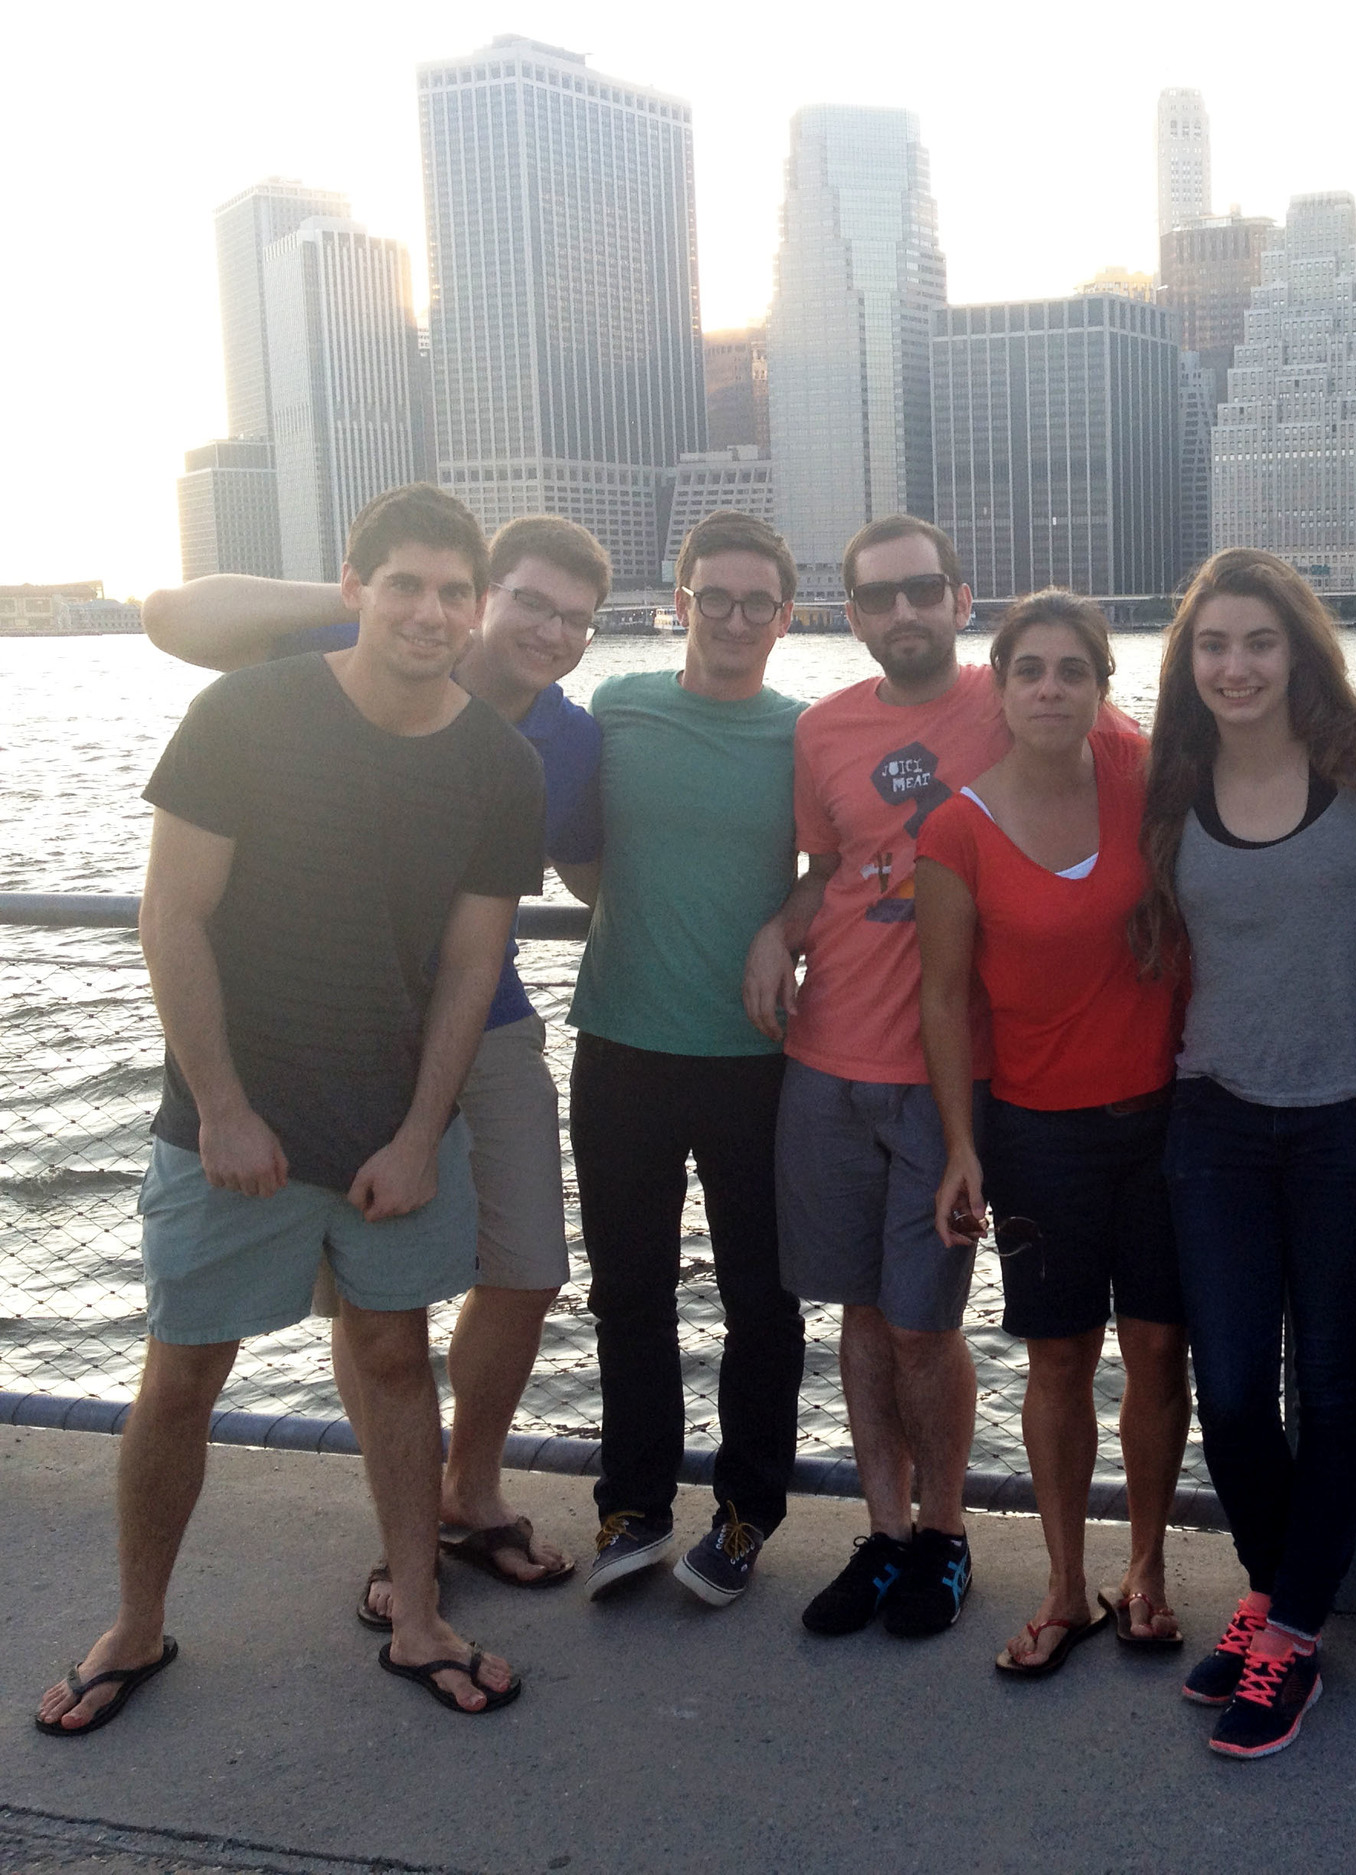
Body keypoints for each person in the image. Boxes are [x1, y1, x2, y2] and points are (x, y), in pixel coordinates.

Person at [36, 484, 544, 1733]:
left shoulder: (500, 761)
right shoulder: (245, 715)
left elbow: (473, 965)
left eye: (451, 592)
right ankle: (137, 1626)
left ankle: (417, 1613)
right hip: (229, 1127)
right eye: (405, 585)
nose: (429, 612)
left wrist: (424, 1134)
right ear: (354, 589)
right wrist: (219, 1108)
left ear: (474, 610)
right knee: (180, 1378)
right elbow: (174, 916)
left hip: (391, 1124)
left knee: (393, 1356)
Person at [140, 514, 613, 1617]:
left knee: (524, 1267)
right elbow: (173, 615)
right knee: (362, 1316)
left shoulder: (562, 742)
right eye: (527, 603)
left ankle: (465, 1494)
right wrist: (384, 599)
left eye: (577, 619)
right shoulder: (303, 675)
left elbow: (596, 873)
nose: (548, 632)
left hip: (477, 1026)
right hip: (309, 1035)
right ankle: (395, 1541)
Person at [1134, 547, 1356, 1760]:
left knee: (1338, 1383)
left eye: (1258, 642)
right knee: (1236, 1388)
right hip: (1217, 1114)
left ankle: (1291, 1630)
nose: (1236, 665)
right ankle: (1271, 1588)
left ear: (1299, 649)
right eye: (1213, 645)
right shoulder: (1172, 778)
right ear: (1187, 665)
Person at [914, 592, 1190, 1681]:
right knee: (1059, 1358)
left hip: (1167, 1126)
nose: (1049, 689)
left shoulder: (1146, 782)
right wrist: (960, 1145)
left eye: (1072, 670)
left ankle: (1151, 1572)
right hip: (1037, 1134)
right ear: (1001, 685)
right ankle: (1069, 1585)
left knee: (1161, 1352)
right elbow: (942, 999)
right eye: (1028, 669)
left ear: (1100, 688)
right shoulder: (955, 825)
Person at [749, 516, 998, 1641]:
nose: (902, 614)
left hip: (946, 1076)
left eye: (921, 592)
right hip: (824, 1063)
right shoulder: (822, 731)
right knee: (858, 1314)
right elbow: (830, 864)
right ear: (848, 615)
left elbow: (1152, 778)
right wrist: (777, 926)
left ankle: (946, 1535)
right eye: (876, 599)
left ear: (958, 596)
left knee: (923, 1326)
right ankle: (886, 1532)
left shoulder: (1026, 699)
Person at [572, 508, 806, 1610]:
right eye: (713, 596)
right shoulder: (617, 708)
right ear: (679, 604)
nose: (734, 618)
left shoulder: (800, 735)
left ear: (784, 617)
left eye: (757, 601)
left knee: (764, 1299)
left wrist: (782, 927)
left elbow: (852, 862)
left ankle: (748, 1513)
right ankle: (634, 1505)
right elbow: (570, 836)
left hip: (755, 1057)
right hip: (619, 1045)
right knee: (629, 1291)